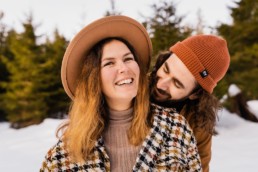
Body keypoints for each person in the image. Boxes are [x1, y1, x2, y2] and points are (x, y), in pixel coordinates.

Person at [40, 15, 202, 171]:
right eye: (109, 63)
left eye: (128, 59)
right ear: (93, 79)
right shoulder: (62, 156)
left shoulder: (175, 128)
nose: (124, 68)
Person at [149, 34, 231, 172]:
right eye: (166, 69)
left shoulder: (198, 126)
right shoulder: (128, 92)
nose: (161, 84)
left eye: (177, 83)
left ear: (195, 94)